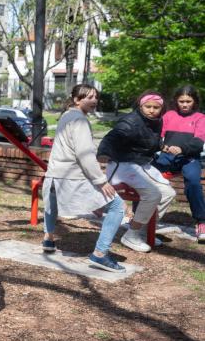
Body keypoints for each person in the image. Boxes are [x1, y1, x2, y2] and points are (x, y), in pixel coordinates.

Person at [40, 84, 127, 271]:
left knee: (52, 202)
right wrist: (101, 181)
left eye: (96, 97)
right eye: (88, 97)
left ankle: (48, 238)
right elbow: (84, 154)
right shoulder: (79, 120)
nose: (94, 100)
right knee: (118, 206)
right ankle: (100, 254)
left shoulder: (66, 116)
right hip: (71, 177)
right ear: (76, 100)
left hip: (55, 174)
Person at [98, 91, 176, 252]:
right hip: (123, 166)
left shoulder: (156, 121)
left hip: (141, 165)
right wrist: (103, 153)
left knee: (168, 193)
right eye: (148, 106)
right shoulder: (130, 121)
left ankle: (142, 230)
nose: (152, 110)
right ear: (141, 105)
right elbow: (110, 138)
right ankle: (132, 235)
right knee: (153, 194)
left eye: (156, 107)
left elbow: (150, 141)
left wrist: (163, 147)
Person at [154, 85, 205, 242]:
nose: (184, 104)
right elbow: (157, 136)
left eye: (188, 101)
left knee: (193, 181)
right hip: (167, 157)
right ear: (176, 101)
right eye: (181, 101)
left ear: (194, 101)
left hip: (189, 158)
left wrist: (182, 148)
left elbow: (198, 142)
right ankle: (141, 219)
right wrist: (162, 147)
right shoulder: (169, 115)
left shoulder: (200, 118)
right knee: (148, 177)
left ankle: (201, 221)